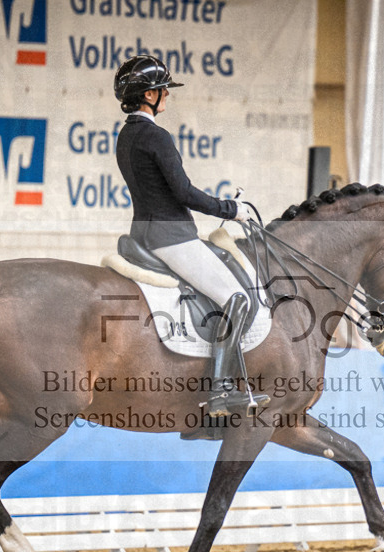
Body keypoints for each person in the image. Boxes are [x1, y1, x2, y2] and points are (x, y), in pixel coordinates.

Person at [113, 55, 267, 417]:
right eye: (163, 89)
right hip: (172, 237)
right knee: (237, 298)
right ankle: (220, 390)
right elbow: (183, 192)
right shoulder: (156, 136)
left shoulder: (125, 136)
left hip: (145, 232)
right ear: (149, 95)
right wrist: (231, 209)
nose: (167, 95)